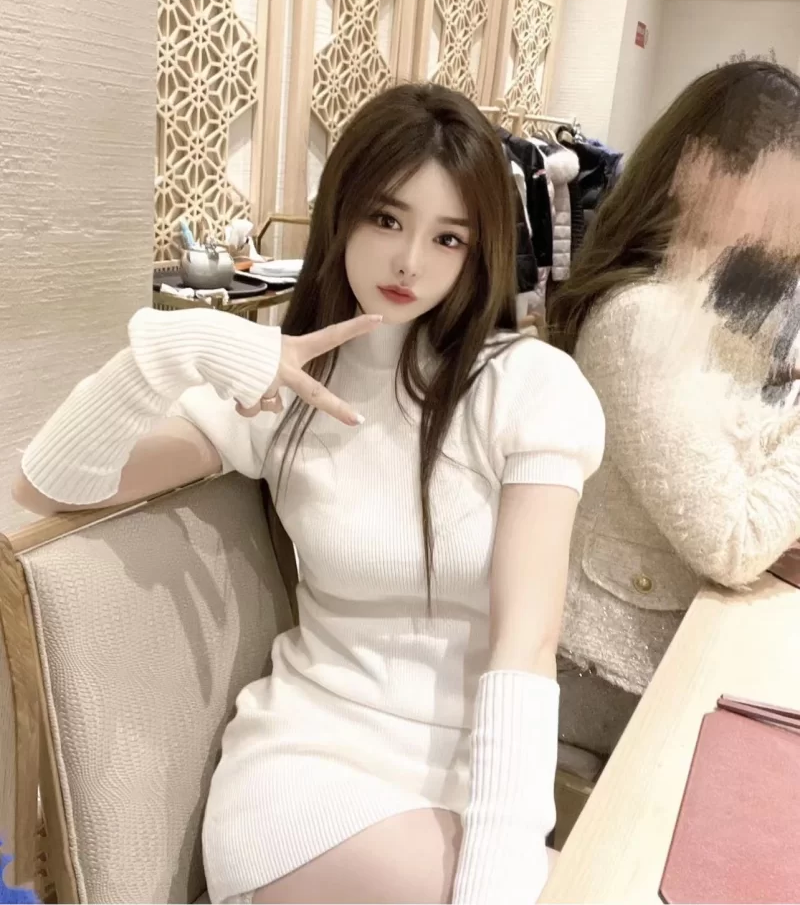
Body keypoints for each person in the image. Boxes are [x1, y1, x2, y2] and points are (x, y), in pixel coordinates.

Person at [14, 83, 604, 905]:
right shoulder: (284, 388)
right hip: (310, 768)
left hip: (468, 768)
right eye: (387, 220)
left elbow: (526, 642)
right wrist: (173, 348)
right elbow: (51, 482)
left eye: (448, 238)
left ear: (480, 253)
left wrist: (501, 868)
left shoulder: (528, 388)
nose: (409, 262)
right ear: (342, 215)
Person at [547, 60, 800, 758]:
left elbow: (763, 431)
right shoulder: (639, 321)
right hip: (610, 678)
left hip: (677, 651)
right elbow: (734, 540)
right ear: (699, 172)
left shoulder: (718, 300)